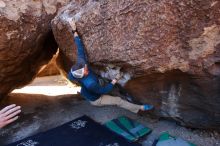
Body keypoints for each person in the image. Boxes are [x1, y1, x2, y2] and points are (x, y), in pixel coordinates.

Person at [68, 19, 154, 114]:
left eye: (84, 66)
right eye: (84, 69)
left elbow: (79, 48)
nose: (85, 67)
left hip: (90, 88)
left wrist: (74, 30)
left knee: (102, 79)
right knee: (118, 100)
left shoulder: (77, 70)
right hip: (96, 99)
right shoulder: (90, 83)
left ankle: (92, 90)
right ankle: (139, 108)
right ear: (83, 74)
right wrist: (115, 80)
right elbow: (104, 90)